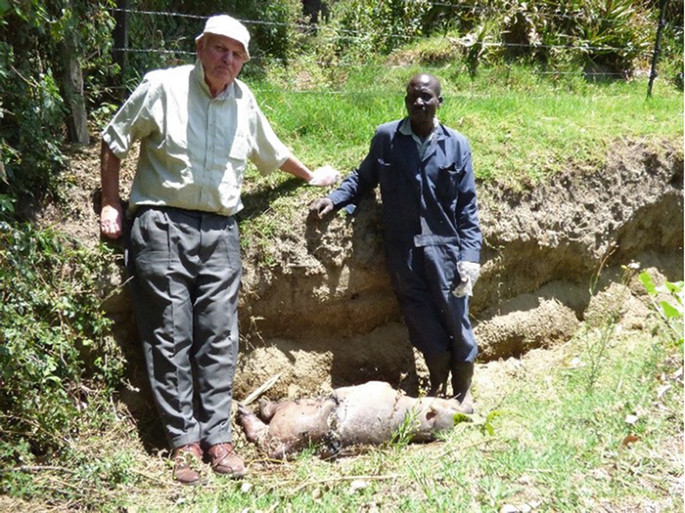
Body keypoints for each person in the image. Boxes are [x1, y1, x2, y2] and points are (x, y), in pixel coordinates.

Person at [99, 14, 339, 485]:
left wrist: (311, 175)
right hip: (163, 223)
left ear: (243, 63)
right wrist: (111, 202)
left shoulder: (244, 101)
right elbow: (113, 142)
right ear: (200, 46)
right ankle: (184, 443)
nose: (226, 60)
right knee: (170, 337)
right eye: (219, 49)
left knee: (219, 338)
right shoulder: (162, 87)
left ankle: (218, 436)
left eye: (236, 54)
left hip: (222, 232)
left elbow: (272, 152)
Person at [309, 73, 482, 411]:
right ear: (406, 100)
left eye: (427, 97)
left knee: (455, 319)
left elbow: (467, 207)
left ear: (439, 102)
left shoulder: (456, 144)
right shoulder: (387, 138)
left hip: (444, 249)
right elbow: (363, 176)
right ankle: (437, 386)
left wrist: (469, 257)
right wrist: (335, 199)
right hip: (403, 251)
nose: (419, 102)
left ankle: (462, 393)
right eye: (413, 96)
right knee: (422, 320)